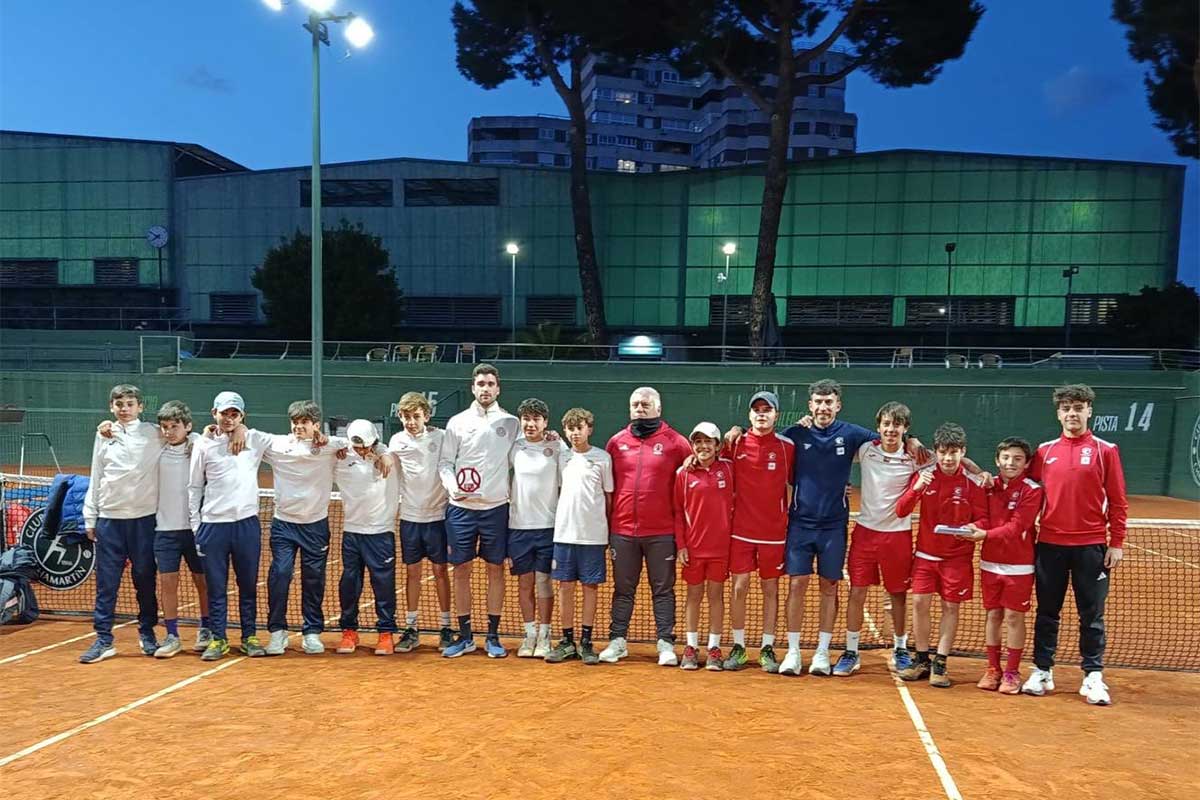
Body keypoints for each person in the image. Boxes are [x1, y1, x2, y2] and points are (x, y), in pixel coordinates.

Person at [1022, 384, 1128, 706]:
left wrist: (1116, 542)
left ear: (1089, 411)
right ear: (1058, 413)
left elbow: (1118, 500)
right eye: (1066, 408)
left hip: (1091, 547)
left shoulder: (1105, 450)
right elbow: (1021, 485)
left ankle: (1092, 675)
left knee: (1091, 615)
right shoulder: (1044, 452)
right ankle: (1042, 670)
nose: (1072, 413)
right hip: (1049, 545)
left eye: (1078, 408)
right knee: (1047, 612)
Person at [775, 379, 882, 677]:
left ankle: (822, 652)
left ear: (838, 405)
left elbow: (889, 440)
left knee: (829, 586)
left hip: (834, 526)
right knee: (797, 584)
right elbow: (764, 444)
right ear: (810, 405)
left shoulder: (851, 434)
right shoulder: (795, 434)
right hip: (800, 524)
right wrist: (734, 431)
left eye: (829, 402)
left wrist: (912, 441)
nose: (823, 407)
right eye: (818, 402)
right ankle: (793, 651)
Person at [598, 387, 692, 666]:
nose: (640, 408)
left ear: (658, 409)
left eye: (645, 404)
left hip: (662, 532)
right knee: (622, 589)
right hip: (623, 531)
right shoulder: (616, 443)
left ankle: (665, 644)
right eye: (635, 404)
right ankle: (617, 642)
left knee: (663, 590)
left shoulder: (677, 443)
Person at [833, 402, 927, 677]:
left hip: (897, 537)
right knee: (856, 592)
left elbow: (949, 460)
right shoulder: (866, 449)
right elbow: (830, 453)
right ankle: (851, 651)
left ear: (905, 429)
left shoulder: (915, 455)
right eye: (886, 424)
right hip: (865, 533)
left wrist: (979, 472)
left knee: (897, 594)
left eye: (897, 425)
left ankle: (900, 648)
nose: (891, 429)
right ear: (879, 426)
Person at [895, 423, 987, 688]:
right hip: (926, 556)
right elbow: (901, 510)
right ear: (936, 452)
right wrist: (916, 488)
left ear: (963, 452)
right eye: (943, 452)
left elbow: (983, 518)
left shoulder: (973, 482)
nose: (948, 458)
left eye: (954, 452)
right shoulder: (924, 476)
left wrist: (973, 528)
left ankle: (941, 662)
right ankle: (922, 659)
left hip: (957, 559)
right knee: (919, 604)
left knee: (951, 608)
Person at [438, 364, 520, 658]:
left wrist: (552, 439)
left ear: (498, 389)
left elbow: (525, 453)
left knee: (495, 569)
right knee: (461, 570)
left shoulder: (512, 423)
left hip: (496, 509)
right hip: (461, 510)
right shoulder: (457, 422)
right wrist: (453, 488)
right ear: (473, 388)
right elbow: (445, 463)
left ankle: (493, 636)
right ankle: (465, 636)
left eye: (490, 384)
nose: (485, 388)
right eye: (481, 384)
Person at [79, 384, 164, 663]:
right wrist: (90, 516)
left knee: (145, 580)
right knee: (106, 584)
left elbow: (185, 435)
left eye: (130, 404)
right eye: (119, 404)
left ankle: (147, 633)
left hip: (144, 522)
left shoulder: (155, 433)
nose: (124, 409)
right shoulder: (104, 434)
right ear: (111, 407)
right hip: (109, 522)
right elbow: (97, 474)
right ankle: (104, 639)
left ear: (140, 406)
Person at [188, 391, 274, 661]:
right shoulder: (203, 445)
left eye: (235, 414)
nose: (229, 418)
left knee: (248, 585)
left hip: (246, 526)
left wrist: (244, 431)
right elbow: (194, 487)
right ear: (214, 413)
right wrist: (196, 526)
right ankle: (218, 639)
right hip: (213, 527)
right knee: (216, 587)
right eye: (224, 413)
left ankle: (249, 637)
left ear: (242, 416)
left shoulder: (255, 439)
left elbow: (291, 443)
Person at [260, 401, 350, 656]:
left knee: (314, 580)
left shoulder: (330, 446)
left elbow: (358, 442)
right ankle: (277, 632)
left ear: (315, 425)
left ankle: (312, 632)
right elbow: (249, 437)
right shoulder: (278, 445)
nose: (298, 427)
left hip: (315, 526)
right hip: (284, 524)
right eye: (295, 422)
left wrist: (333, 442)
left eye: (304, 422)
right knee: (280, 573)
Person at [958, 437, 1042, 695]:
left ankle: (1012, 672)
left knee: (1014, 617)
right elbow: (983, 518)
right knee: (993, 615)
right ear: (997, 460)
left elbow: (1018, 527)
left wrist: (985, 534)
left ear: (1027, 463)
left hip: (1020, 567)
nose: (1010, 463)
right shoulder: (989, 486)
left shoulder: (1032, 490)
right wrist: (974, 527)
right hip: (990, 564)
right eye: (1005, 458)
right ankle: (993, 668)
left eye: (1017, 459)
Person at [721, 391, 794, 673]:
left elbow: (806, 477)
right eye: (757, 410)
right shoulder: (735, 442)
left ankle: (767, 647)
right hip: (740, 530)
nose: (762, 414)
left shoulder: (787, 447)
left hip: (774, 533)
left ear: (776, 415)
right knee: (739, 588)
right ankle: (738, 647)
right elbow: (712, 463)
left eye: (767, 410)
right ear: (749, 415)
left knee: (770, 590)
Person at [544, 407, 613, 665]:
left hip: (593, 536)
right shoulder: (562, 457)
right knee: (565, 587)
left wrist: (603, 528)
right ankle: (566, 641)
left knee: (590, 588)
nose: (575, 433)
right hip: (564, 534)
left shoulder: (603, 458)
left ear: (589, 429)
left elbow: (608, 497)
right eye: (570, 429)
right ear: (565, 431)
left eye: (580, 428)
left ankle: (586, 641)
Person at [388, 391, 454, 652]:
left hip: (438, 518)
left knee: (440, 572)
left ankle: (446, 627)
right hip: (410, 519)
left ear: (426, 416)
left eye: (416, 416)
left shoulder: (441, 437)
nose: (411, 422)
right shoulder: (396, 441)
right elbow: (384, 458)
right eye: (406, 416)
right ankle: (411, 628)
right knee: (412, 573)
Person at [150, 401, 212, 658]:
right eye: (164, 427)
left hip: (197, 529)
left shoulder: (198, 446)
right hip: (164, 530)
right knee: (167, 583)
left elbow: (210, 436)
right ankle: (172, 635)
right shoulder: (157, 450)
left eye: (174, 426)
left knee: (203, 582)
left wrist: (200, 436)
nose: (169, 431)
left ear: (187, 426)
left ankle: (206, 629)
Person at [335, 419, 401, 656]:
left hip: (381, 533)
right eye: (357, 447)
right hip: (352, 532)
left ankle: (386, 633)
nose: (362, 451)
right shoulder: (340, 457)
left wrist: (384, 454)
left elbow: (395, 451)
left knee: (383, 586)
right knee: (349, 584)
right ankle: (349, 631)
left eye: (366, 446)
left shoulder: (389, 457)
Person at [674, 423, 735, 671]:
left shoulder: (729, 469)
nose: (703, 446)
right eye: (698, 442)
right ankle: (691, 647)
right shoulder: (683, 473)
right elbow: (678, 512)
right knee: (693, 596)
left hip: (721, 549)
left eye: (708, 441)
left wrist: (737, 429)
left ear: (717, 445)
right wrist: (681, 545)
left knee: (715, 596)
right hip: (694, 549)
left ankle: (714, 648)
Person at [508, 398, 564, 658]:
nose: (530, 424)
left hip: (548, 527)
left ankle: (545, 635)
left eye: (536, 419)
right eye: (526, 419)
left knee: (543, 582)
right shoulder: (514, 447)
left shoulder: (556, 446)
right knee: (524, 583)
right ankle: (529, 634)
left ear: (545, 422)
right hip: (518, 527)